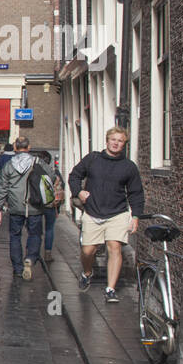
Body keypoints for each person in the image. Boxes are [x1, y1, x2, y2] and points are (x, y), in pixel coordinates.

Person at [68, 127, 145, 303]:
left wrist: (136, 217)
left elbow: (136, 193)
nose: (116, 143)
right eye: (113, 139)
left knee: (114, 247)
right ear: (107, 140)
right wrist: (78, 192)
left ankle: (110, 289)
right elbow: (74, 176)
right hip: (93, 212)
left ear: (124, 144)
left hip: (117, 213)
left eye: (120, 141)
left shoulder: (129, 167)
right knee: (88, 251)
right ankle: (87, 272)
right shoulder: (93, 159)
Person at [0, 135, 57, 280]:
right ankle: (31, 258)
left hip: (15, 206)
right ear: (29, 147)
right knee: (35, 234)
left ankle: (17, 268)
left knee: (15, 236)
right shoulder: (38, 162)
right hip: (35, 206)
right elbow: (51, 177)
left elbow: (2, 187)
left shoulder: (9, 165)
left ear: (15, 148)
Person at [34, 149, 65, 262]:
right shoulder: (54, 172)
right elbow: (62, 186)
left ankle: (34, 252)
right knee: (49, 229)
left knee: (35, 229)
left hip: (36, 204)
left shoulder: (34, 171)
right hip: (51, 204)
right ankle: (48, 253)